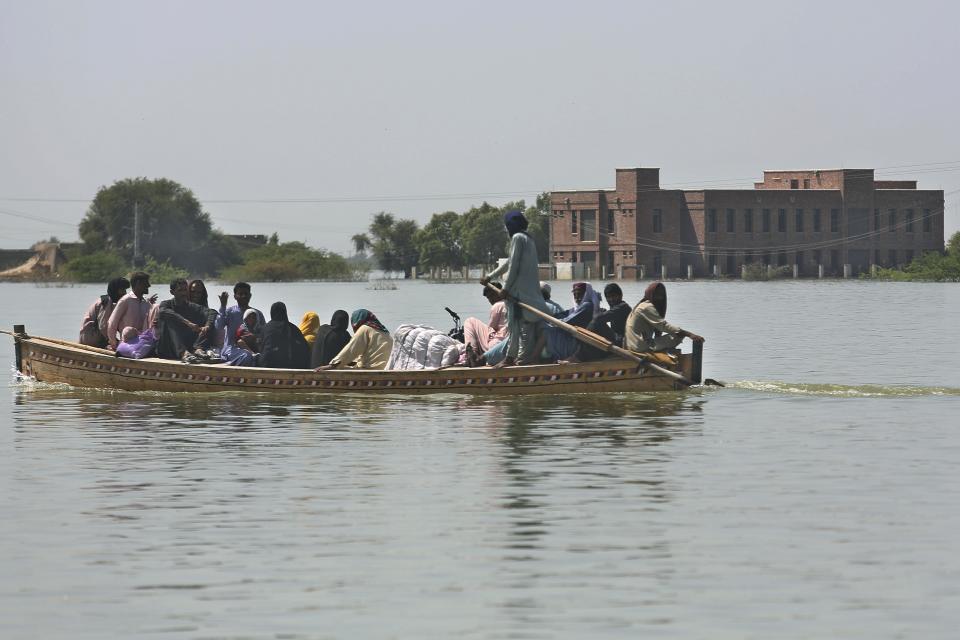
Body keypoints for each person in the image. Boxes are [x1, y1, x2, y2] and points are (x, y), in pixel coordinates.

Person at [479, 210, 550, 367]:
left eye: (507, 226)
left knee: (513, 326)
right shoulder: (528, 239)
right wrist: (490, 277)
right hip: (530, 294)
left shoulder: (518, 238)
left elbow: (513, 266)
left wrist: (506, 288)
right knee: (525, 328)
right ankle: (524, 359)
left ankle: (510, 358)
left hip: (519, 294)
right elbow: (509, 262)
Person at [624, 281, 704, 353]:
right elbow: (663, 326)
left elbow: (658, 328)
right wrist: (690, 334)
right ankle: (657, 349)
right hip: (640, 346)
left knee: (674, 333)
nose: (660, 298)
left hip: (633, 345)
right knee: (678, 336)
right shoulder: (646, 307)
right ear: (650, 294)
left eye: (662, 296)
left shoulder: (642, 305)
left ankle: (659, 347)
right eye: (656, 295)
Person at [155, 278, 218, 362]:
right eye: (180, 290)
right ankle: (184, 353)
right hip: (167, 348)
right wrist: (187, 322)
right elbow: (164, 312)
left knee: (208, 323)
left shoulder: (191, 306)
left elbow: (212, 312)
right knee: (170, 320)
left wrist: (207, 326)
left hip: (186, 346)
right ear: (172, 292)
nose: (183, 293)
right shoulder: (166, 304)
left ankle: (198, 349)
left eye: (185, 290)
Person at [569, 283, 632, 362]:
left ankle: (577, 356)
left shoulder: (623, 307)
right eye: (608, 297)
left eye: (614, 296)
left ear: (620, 296)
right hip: (617, 339)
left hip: (622, 341)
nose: (611, 299)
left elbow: (599, 318)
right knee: (596, 323)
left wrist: (599, 315)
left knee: (597, 321)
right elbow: (603, 317)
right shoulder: (616, 307)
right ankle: (581, 354)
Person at [542, 282, 602, 361]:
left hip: (582, 342)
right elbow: (564, 314)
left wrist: (550, 321)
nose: (577, 297)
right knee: (546, 328)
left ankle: (536, 357)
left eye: (580, 294)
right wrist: (548, 318)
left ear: (586, 294)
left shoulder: (588, 306)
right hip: (576, 339)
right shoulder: (576, 308)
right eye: (575, 295)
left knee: (547, 331)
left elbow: (566, 321)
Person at [317, 309, 393, 370]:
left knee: (340, 368)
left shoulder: (365, 329)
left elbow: (351, 349)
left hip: (368, 370)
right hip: (384, 369)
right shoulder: (387, 333)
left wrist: (333, 365)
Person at [216, 282, 267, 363]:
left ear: (250, 295)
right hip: (232, 349)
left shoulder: (257, 313)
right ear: (235, 296)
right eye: (240, 294)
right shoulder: (230, 312)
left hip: (253, 348)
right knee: (247, 356)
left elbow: (264, 334)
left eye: (246, 294)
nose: (243, 296)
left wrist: (254, 337)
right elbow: (219, 326)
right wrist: (223, 306)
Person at [107, 272, 157, 350]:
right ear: (138, 283)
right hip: (127, 344)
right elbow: (112, 323)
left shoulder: (146, 303)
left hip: (143, 344)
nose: (149, 285)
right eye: (146, 283)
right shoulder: (125, 300)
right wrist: (114, 345)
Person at [462, 282, 507, 366]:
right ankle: (473, 353)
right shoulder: (511, 305)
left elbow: (491, 327)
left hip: (497, 344)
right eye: (489, 297)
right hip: (507, 345)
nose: (491, 299)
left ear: (500, 293)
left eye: (493, 295)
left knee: (470, 321)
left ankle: (473, 353)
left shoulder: (498, 305)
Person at [79, 276, 129, 347]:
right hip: (90, 337)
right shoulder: (106, 302)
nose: (125, 293)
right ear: (115, 289)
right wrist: (114, 341)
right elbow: (103, 326)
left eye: (125, 290)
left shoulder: (112, 303)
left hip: (93, 336)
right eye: (122, 289)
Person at [258, 302, 311, 369]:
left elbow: (261, 349)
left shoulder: (266, 328)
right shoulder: (294, 329)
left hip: (269, 368)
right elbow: (306, 350)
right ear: (285, 312)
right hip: (294, 370)